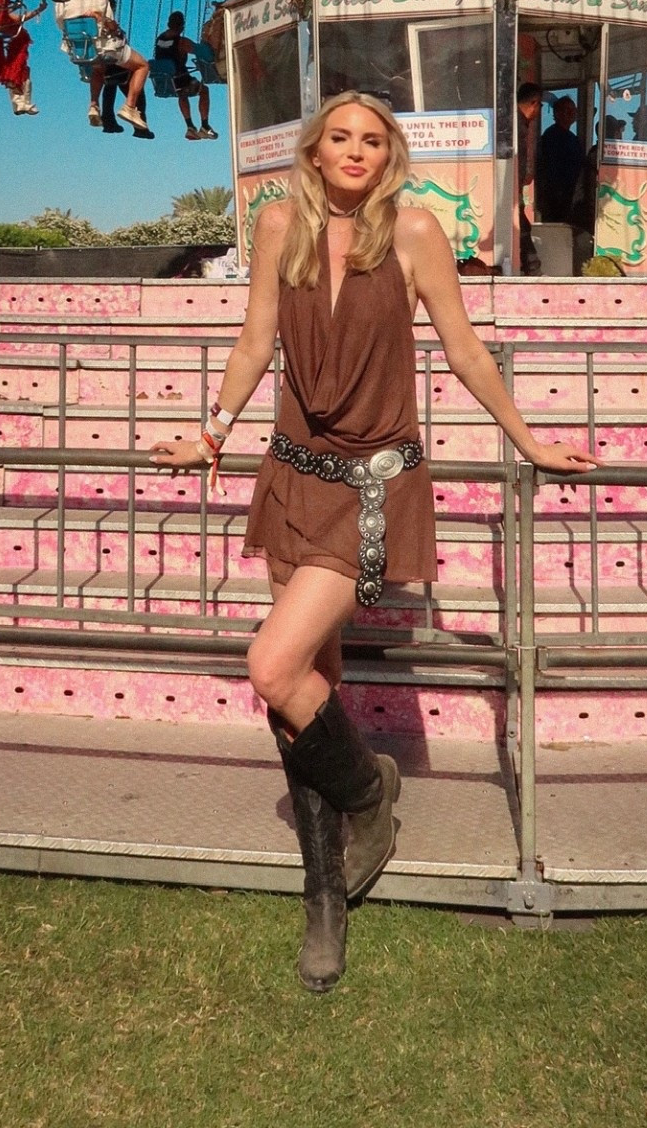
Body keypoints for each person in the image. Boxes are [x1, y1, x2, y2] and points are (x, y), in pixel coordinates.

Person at [149, 94, 597, 993]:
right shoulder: (276, 225)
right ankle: (324, 891)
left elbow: (466, 351)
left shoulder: (416, 232)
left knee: (272, 667)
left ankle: (368, 794)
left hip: (369, 487)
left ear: (388, 154)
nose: (356, 151)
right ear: (313, 152)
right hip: (289, 473)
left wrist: (528, 438)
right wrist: (210, 431)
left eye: (373, 139)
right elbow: (252, 344)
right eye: (340, 138)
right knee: (310, 687)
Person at [153, 10, 219, 139]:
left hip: (168, 80)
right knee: (204, 90)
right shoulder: (181, 42)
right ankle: (205, 125)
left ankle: (190, 126)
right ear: (182, 26)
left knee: (182, 94)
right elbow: (204, 53)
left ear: (168, 24)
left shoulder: (160, 39)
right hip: (180, 77)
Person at [535, 96, 584, 222]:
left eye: (574, 110)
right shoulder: (551, 136)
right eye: (568, 110)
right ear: (557, 113)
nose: (572, 113)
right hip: (555, 196)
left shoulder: (572, 138)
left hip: (570, 193)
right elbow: (549, 167)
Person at [516, 80, 542, 273]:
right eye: (540, 105)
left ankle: (531, 268)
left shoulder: (518, 123)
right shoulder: (517, 125)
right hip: (512, 192)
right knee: (522, 229)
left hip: (515, 192)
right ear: (534, 103)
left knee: (523, 228)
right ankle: (532, 270)